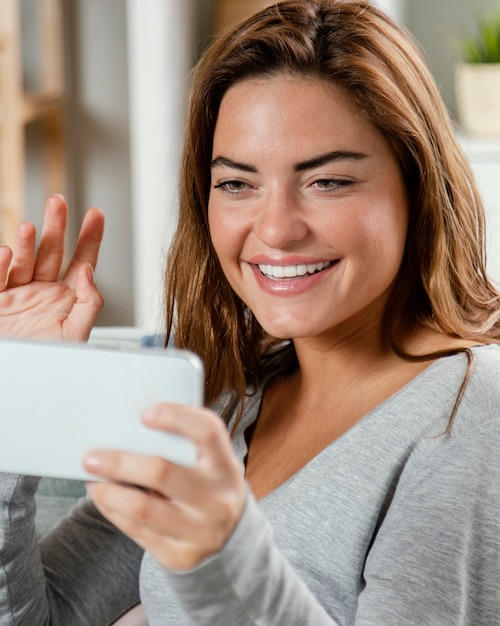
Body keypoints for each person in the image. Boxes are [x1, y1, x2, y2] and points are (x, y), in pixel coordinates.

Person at [1, 0, 500, 624]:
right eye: (237, 183)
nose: (275, 229)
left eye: (328, 181)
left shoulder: (470, 417)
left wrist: (220, 559)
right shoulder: (230, 395)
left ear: (417, 187)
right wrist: (14, 392)